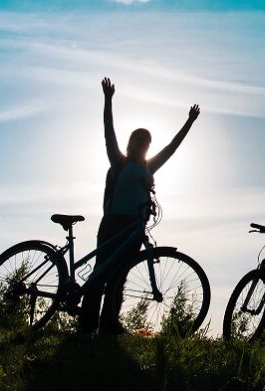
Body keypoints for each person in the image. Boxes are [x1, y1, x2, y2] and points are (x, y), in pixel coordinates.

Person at [77, 77, 201, 334]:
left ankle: (109, 326)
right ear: (131, 143)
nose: (143, 145)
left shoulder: (148, 166)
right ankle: (86, 325)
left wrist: (188, 122)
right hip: (114, 223)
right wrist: (108, 100)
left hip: (135, 226)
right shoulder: (119, 161)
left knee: (119, 276)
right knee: (100, 274)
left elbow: (172, 148)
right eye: (139, 141)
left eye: (146, 142)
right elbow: (107, 129)